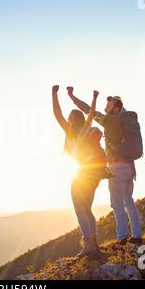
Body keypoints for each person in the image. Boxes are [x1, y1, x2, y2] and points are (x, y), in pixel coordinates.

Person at [67, 87, 143, 244]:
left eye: (108, 107)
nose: (105, 109)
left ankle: (121, 238)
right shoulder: (126, 122)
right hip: (130, 167)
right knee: (129, 201)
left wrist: (72, 97)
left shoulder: (110, 120)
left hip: (116, 167)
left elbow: (89, 111)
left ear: (116, 108)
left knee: (117, 204)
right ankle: (137, 235)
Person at [52, 85, 108, 257]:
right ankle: (94, 244)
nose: (67, 119)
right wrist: (94, 99)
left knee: (79, 208)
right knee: (87, 209)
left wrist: (54, 94)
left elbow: (56, 113)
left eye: (69, 118)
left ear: (70, 120)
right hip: (95, 175)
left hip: (81, 175)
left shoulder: (70, 130)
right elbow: (91, 113)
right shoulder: (86, 127)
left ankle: (89, 243)